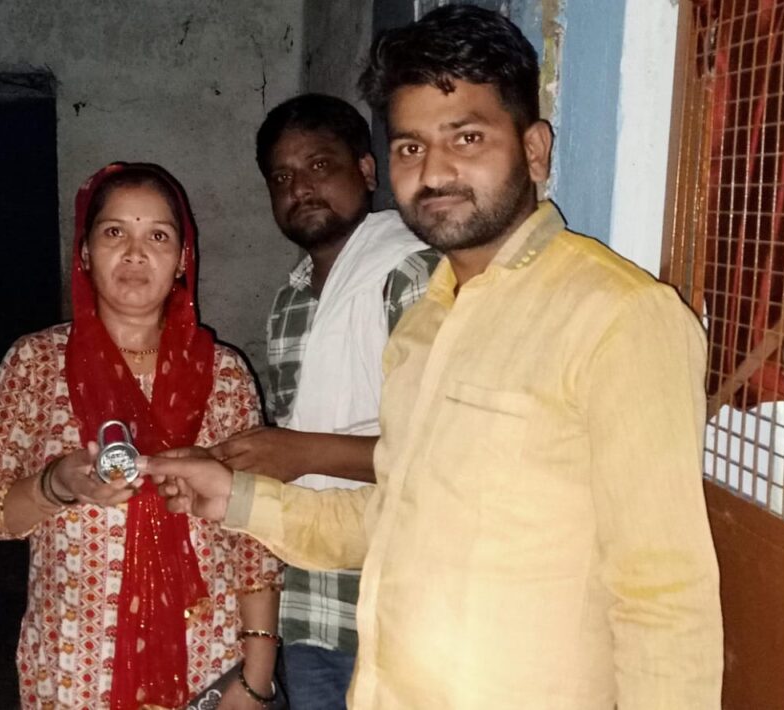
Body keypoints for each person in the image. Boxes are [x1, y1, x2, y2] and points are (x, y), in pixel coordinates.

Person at [149, 6, 724, 709]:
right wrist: (235, 497)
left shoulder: (617, 318)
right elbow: (389, 515)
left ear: (534, 150)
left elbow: (665, 596)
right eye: (411, 147)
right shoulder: (426, 324)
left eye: (467, 137)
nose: (435, 170)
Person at [0, 162, 283, 710]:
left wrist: (256, 677)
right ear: (85, 252)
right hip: (76, 672)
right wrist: (57, 485)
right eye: (115, 232)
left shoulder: (223, 373)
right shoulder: (36, 362)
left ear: (182, 259)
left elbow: (255, 536)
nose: (135, 253)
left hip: (207, 667)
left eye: (158, 236)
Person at [210, 94, 438, 710]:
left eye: (318, 166)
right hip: (311, 603)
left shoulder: (413, 276)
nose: (301, 189)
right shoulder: (290, 301)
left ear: (366, 170)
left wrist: (299, 453)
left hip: (399, 603)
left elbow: (443, 453)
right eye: (281, 178)